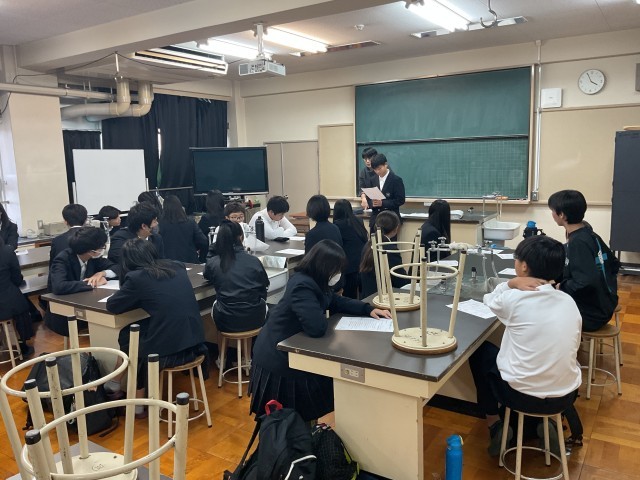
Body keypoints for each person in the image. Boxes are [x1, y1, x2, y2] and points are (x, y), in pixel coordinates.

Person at [249, 239, 391, 421]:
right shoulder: (302, 285)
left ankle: (307, 433)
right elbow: (316, 327)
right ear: (324, 267)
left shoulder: (316, 281)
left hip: (293, 346)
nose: (338, 275)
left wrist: (367, 309)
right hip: (277, 356)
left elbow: (335, 301)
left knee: (307, 410)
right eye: (336, 269)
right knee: (287, 419)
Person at [468, 235, 582, 457]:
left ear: (523, 267)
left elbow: (488, 299)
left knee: (479, 352)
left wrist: (511, 283)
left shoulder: (514, 299)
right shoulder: (569, 301)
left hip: (519, 395)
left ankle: (495, 424)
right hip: (566, 395)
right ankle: (545, 423)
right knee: (542, 359)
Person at [105, 239, 207, 415]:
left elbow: (112, 305)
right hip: (194, 339)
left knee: (132, 339)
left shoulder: (136, 278)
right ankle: (120, 386)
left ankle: (130, 395)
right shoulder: (176, 266)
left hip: (171, 349)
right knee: (134, 335)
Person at [548, 189, 619, 332]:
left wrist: (561, 286)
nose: (552, 214)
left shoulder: (577, 243)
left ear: (562, 215)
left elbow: (584, 282)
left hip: (591, 315)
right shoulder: (590, 234)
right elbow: (614, 264)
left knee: (542, 306)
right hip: (605, 304)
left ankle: (565, 344)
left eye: (553, 211)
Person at [46, 227, 117, 336]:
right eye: (101, 247)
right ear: (91, 251)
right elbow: (59, 286)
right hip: (66, 313)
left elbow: (118, 267)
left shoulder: (94, 258)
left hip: (87, 302)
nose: (102, 249)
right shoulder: (63, 259)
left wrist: (103, 273)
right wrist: (91, 283)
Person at [204, 220, 269, 333]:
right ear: (241, 237)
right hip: (256, 317)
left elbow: (207, 275)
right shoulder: (253, 261)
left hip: (226, 321)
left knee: (215, 303)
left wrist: (212, 251)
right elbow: (265, 285)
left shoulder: (214, 262)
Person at [359, 211, 408, 299]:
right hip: (383, 298)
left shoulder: (368, 244)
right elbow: (400, 280)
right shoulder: (391, 249)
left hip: (367, 296)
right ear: (396, 228)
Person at [0, 237, 34, 356]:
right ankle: (21, 344)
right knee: (20, 302)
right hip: (7, 302)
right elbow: (17, 278)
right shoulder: (6, 251)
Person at [333, 199, 368, 299]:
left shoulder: (337, 226)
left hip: (349, 268)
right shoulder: (358, 221)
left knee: (349, 298)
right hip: (364, 264)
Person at [158, 195, 208, 264]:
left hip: (168, 264)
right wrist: (200, 254)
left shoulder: (160, 225)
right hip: (190, 262)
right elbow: (203, 241)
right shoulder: (190, 222)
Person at [365, 153, 405, 228]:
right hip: (375, 219)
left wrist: (382, 203)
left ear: (385, 164)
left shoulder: (396, 180)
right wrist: (372, 203)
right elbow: (368, 199)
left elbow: (400, 200)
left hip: (391, 219)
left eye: (379, 168)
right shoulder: (372, 180)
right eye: (375, 169)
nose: (377, 171)